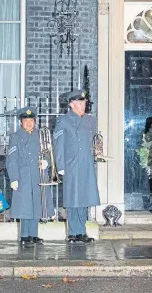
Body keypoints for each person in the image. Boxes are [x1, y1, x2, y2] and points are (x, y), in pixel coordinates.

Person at [54, 89, 100, 243]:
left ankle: (82, 231)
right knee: (73, 199)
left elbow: (94, 142)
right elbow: (58, 145)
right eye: (79, 102)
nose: (83, 105)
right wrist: (60, 166)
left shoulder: (90, 120)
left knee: (85, 198)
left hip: (86, 164)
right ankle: (73, 232)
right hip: (71, 165)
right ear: (71, 104)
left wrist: (97, 153)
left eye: (84, 102)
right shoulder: (64, 121)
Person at [6, 108, 47, 245]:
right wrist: (13, 178)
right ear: (21, 122)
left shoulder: (40, 135)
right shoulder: (15, 137)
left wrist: (46, 162)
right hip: (22, 175)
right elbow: (12, 159)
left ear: (34, 121)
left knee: (36, 204)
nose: (29, 123)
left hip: (37, 174)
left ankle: (34, 234)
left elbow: (48, 151)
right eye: (26, 121)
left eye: (31, 120)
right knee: (24, 206)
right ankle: (24, 235)